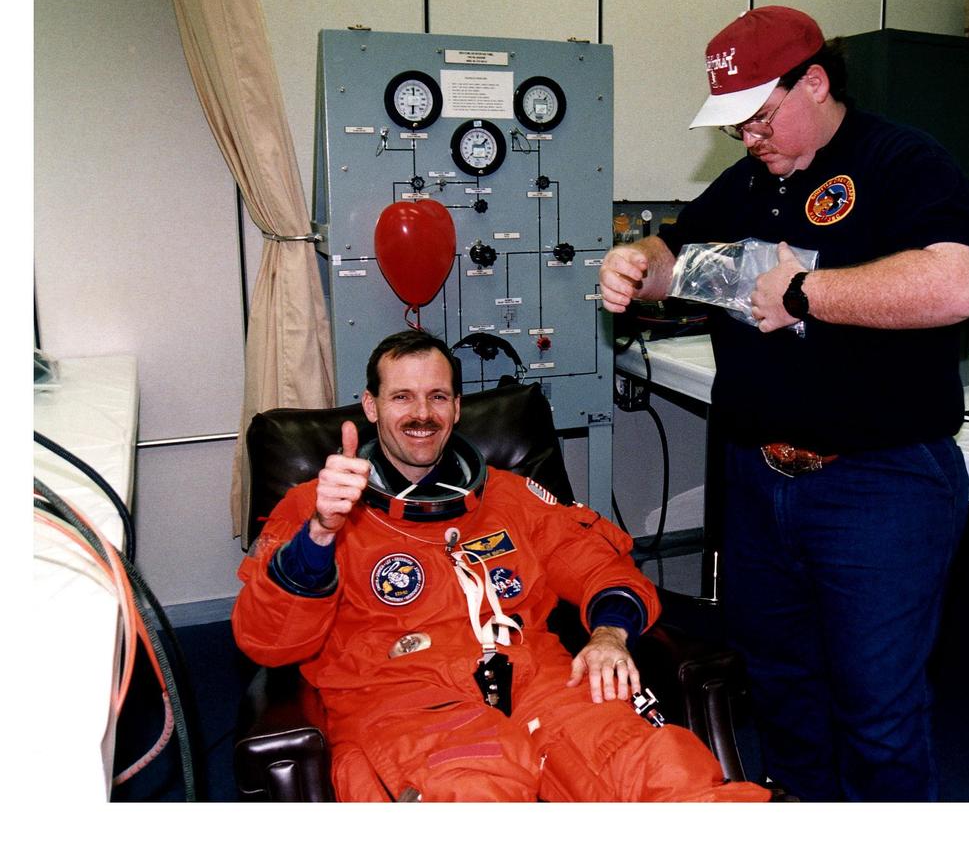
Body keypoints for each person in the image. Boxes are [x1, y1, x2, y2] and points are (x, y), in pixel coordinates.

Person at [599, 6, 969, 801]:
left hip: (876, 484)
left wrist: (811, 293)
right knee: (781, 692)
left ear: (814, 82)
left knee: (877, 713)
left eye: (762, 117)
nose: (751, 137)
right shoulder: (746, 181)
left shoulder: (903, 162)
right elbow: (677, 258)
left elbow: (958, 284)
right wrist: (634, 264)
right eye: (737, 125)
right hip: (760, 480)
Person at [233, 329, 769, 803]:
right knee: (469, 793)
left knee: (663, 775)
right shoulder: (316, 507)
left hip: (539, 681)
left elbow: (597, 565)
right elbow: (268, 641)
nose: (422, 414)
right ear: (370, 407)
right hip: (404, 702)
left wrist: (609, 633)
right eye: (402, 397)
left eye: (437, 396)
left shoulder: (510, 497)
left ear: (457, 408)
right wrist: (321, 536)